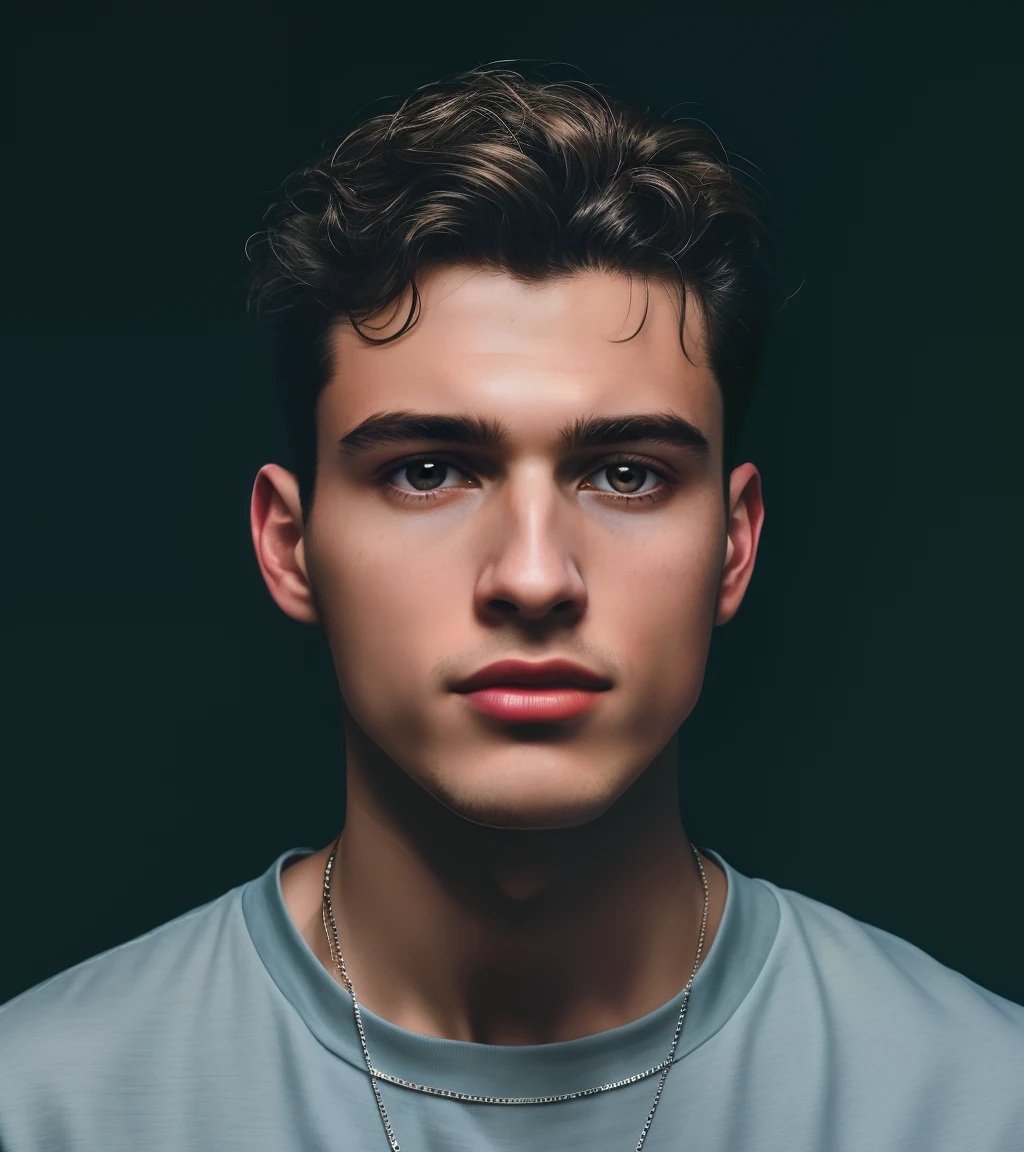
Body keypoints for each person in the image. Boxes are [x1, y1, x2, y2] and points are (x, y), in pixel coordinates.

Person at [1, 65, 1021, 1152]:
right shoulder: (44, 1107)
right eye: (430, 470)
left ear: (734, 544)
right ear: (289, 546)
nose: (534, 578)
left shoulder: (977, 1102)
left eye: (625, 474)